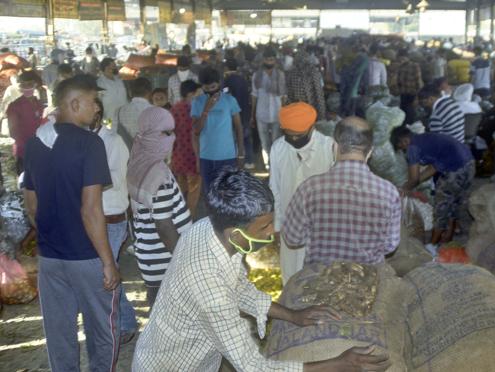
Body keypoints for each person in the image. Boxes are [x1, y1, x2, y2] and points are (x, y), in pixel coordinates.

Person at [131, 168, 391, 372]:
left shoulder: (208, 230)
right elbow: (253, 366)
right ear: (235, 233)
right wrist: (337, 365)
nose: (271, 232)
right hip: (171, 365)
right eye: (264, 227)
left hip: (189, 356)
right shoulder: (209, 289)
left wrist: (292, 315)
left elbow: (239, 288)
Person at [23, 74, 121, 372]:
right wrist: (108, 261)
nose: (96, 108)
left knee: (59, 334)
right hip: (86, 256)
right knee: (103, 331)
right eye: (93, 101)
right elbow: (91, 210)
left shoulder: (35, 143)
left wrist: (52, 235)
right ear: (74, 103)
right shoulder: (90, 144)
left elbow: (31, 204)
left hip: (50, 257)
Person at [283, 117, 401, 266]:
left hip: (318, 283)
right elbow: (390, 245)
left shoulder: (309, 188)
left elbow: (292, 239)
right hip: (368, 283)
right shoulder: (389, 192)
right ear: (370, 151)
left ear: (334, 146)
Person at [127, 107, 193, 307]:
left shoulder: (137, 159)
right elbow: (164, 226)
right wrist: (185, 261)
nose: (172, 138)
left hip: (149, 255)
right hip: (166, 261)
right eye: (166, 133)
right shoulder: (158, 175)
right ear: (151, 134)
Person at [88, 98, 138, 343]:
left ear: (96, 113)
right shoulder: (86, 141)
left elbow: (115, 182)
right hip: (95, 216)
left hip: (112, 218)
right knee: (108, 272)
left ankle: (123, 324)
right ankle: (125, 323)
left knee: (107, 273)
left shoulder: (113, 141)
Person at [269, 102, 334, 284]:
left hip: (322, 227)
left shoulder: (329, 148)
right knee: (290, 275)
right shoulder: (278, 148)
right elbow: (274, 188)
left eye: (298, 136)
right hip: (290, 225)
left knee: (319, 278)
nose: (294, 139)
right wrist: (277, 225)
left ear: (312, 127)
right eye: (289, 136)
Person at [396, 129, 475, 254]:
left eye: (401, 147)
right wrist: (409, 186)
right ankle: (448, 237)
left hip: (454, 168)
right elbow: (432, 168)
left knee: (441, 207)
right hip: (469, 162)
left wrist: (404, 189)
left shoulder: (413, 147)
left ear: (404, 141)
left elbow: (414, 178)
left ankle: (432, 245)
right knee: (454, 202)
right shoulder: (425, 139)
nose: (403, 150)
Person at [192, 67, 245, 196]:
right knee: (210, 195)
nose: (211, 90)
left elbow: (238, 128)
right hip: (206, 157)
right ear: (202, 87)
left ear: (219, 84)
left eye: (213, 86)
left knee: (228, 194)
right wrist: (206, 110)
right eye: (207, 88)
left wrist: (241, 154)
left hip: (228, 157)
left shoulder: (229, 100)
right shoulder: (197, 102)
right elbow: (196, 131)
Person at [251, 47, 287, 168]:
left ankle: (274, 163)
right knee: (265, 142)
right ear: (263, 60)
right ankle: (270, 162)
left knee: (276, 141)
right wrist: (252, 115)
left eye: (272, 59)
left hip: (277, 113)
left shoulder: (281, 75)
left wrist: (285, 113)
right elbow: (254, 95)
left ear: (275, 61)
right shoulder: (257, 76)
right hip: (261, 113)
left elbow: (283, 96)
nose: (269, 62)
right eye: (267, 59)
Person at [171, 80, 203, 217]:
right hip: (193, 157)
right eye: (197, 92)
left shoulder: (174, 108)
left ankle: (180, 217)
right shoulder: (196, 110)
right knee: (194, 190)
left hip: (178, 156)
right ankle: (189, 218)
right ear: (191, 93)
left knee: (182, 190)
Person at [7, 70, 44, 176]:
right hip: (23, 151)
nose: (27, 87)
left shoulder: (39, 104)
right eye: (23, 85)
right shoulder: (14, 106)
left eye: (30, 84)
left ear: (35, 84)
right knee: (26, 184)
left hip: (41, 150)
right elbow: (13, 132)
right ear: (19, 87)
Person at [224, 57, 254, 169]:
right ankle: (249, 161)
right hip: (245, 112)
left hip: (233, 114)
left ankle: (235, 162)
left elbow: (226, 96)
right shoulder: (243, 79)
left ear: (226, 68)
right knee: (246, 138)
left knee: (234, 139)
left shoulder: (226, 81)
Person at [112, 77, 153, 149]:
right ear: (150, 92)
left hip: (125, 157)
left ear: (130, 92)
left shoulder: (118, 111)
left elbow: (114, 137)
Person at [286, 51, 326, 120]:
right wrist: (322, 115)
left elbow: (290, 94)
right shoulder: (313, 72)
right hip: (307, 107)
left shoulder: (293, 72)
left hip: (300, 108)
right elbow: (319, 94)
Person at [396, 49, 423, 124]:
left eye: (402, 58)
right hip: (403, 94)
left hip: (412, 94)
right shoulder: (400, 66)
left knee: (410, 114)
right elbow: (399, 81)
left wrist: (417, 97)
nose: (401, 60)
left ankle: (409, 132)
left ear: (407, 57)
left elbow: (419, 82)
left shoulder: (415, 66)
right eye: (400, 59)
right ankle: (403, 130)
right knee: (402, 114)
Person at [98, 57, 128, 124]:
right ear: (106, 68)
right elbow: (98, 102)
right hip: (108, 119)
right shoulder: (100, 83)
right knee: (108, 132)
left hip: (124, 117)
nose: (115, 68)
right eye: (113, 66)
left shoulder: (119, 80)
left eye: (115, 66)